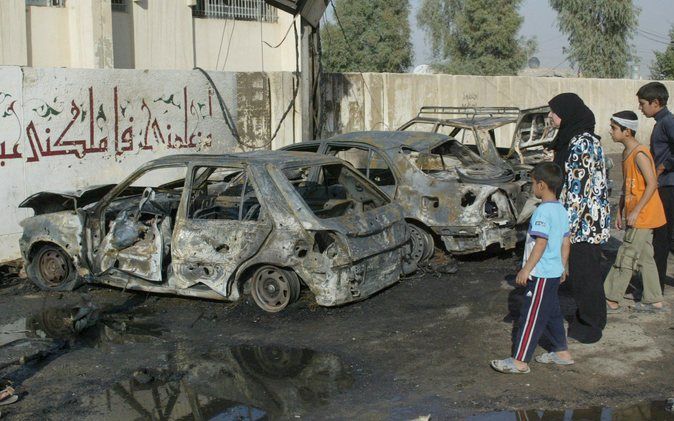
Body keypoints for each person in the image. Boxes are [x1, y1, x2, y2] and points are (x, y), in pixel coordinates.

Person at [490, 162, 573, 374]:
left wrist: (526, 269)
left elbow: (541, 243)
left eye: (534, 183)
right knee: (552, 311)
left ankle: (520, 361)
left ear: (542, 185)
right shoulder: (561, 210)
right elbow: (566, 241)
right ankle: (561, 352)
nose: (532, 187)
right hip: (554, 272)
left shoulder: (542, 212)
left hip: (542, 273)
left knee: (531, 316)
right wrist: (563, 267)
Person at [548, 93, 611, 344]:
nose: (550, 117)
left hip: (583, 223)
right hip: (582, 221)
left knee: (586, 275)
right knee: (584, 274)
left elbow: (578, 191)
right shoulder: (573, 139)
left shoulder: (581, 143)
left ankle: (591, 323)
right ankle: (589, 315)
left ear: (567, 113)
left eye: (554, 112)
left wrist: (566, 229)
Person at [604, 111, 666, 313]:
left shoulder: (639, 153)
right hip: (636, 214)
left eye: (614, 128)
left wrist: (636, 211)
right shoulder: (626, 153)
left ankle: (611, 297)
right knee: (646, 256)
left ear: (627, 131)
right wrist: (621, 211)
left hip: (644, 215)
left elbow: (652, 184)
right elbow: (628, 186)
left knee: (626, 254)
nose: (611, 131)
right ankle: (654, 298)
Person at [637, 81, 674, 293]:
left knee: (662, 238)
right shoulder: (662, 122)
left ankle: (656, 287)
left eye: (643, 103)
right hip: (665, 185)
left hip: (668, 186)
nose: (640, 108)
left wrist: (663, 166)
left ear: (655, 102)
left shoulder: (668, 122)